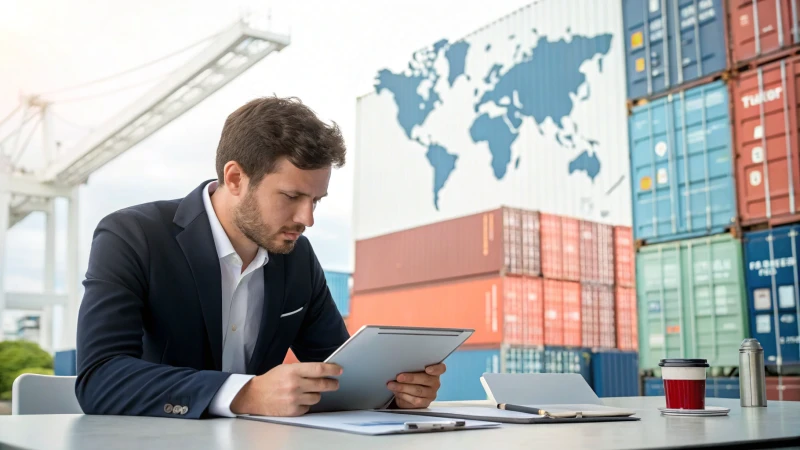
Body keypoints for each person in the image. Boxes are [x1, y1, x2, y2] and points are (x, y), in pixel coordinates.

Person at [75, 96, 446, 419]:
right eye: (291, 197)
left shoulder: (298, 258)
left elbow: (337, 373)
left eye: (316, 201)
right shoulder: (131, 236)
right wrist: (246, 393)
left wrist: (394, 394)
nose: (307, 219)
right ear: (235, 178)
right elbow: (101, 379)